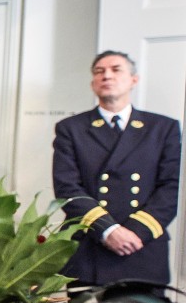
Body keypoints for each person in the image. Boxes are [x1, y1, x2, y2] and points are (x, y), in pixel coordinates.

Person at [53, 51, 181, 286]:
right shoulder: (71, 129)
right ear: (93, 83)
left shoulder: (162, 128)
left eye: (116, 69)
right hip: (91, 247)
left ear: (134, 79)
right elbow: (67, 188)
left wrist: (135, 232)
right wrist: (108, 230)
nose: (107, 76)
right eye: (99, 72)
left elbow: (172, 186)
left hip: (142, 248)